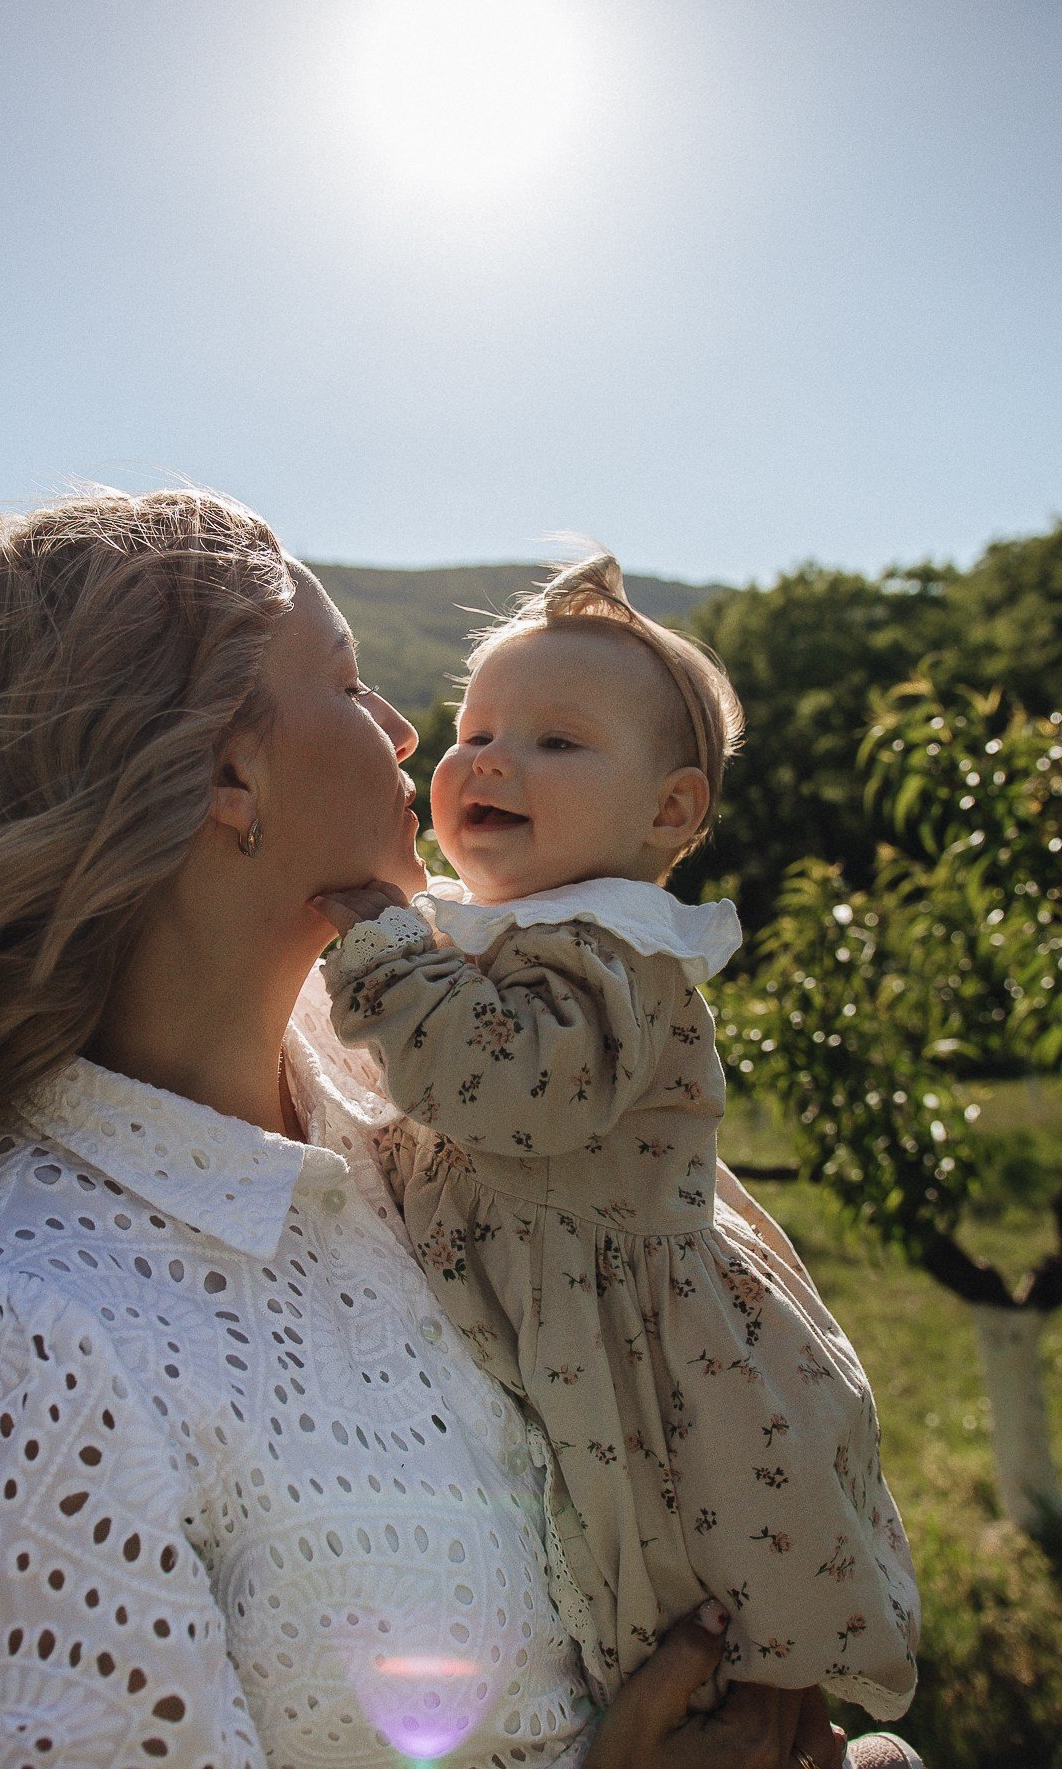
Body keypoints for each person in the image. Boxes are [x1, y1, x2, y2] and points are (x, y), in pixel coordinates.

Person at [0, 490, 915, 1769]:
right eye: (354, 684)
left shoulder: (399, 1108)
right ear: (226, 774)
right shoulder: (13, 1360)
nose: (413, 733)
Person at [314, 555, 919, 1722]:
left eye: (556, 743)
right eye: (477, 727)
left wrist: (388, 960)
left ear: (670, 812)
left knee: (659, 1550)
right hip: (543, 1289)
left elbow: (521, 1088)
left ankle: (699, 1714)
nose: (489, 758)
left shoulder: (614, 951)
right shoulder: (508, 926)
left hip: (621, 1327)